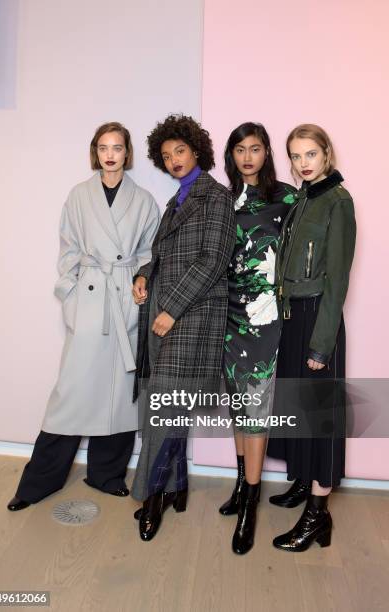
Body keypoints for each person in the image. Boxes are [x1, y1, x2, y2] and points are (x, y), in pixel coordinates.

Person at [7, 122, 160, 511]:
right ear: (96, 151)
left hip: (125, 298)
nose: (110, 154)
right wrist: (70, 293)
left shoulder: (143, 201)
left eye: (118, 147)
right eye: (104, 147)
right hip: (91, 296)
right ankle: (39, 481)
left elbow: (148, 251)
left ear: (128, 153)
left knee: (119, 396)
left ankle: (106, 475)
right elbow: (69, 248)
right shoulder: (79, 196)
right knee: (71, 393)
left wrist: (141, 277)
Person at [131, 114, 236, 541]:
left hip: (190, 317)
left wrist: (171, 308)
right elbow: (161, 256)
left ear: (196, 151)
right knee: (167, 405)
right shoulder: (175, 202)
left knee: (162, 409)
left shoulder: (216, 197)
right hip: (162, 312)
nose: (174, 159)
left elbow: (212, 260)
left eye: (180, 150)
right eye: (166, 154)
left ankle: (151, 497)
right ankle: (178, 485)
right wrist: (142, 275)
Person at [267, 124, 356, 551]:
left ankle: (318, 518)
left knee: (319, 420)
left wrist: (322, 344)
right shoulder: (304, 197)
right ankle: (303, 484)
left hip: (319, 317)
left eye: (310, 155)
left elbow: (337, 280)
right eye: (296, 156)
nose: (303, 164)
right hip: (293, 314)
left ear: (326, 154)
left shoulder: (338, 202)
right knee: (296, 408)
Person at [220, 122, 296, 554]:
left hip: (265, 315)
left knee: (256, 406)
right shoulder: (223, 199)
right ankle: (239, 483)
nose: (247, 157)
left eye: (255, 149)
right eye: (239, 150)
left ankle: (251, 501)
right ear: (231, 155)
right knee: (237, 406)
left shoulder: (286, 198)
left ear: (266, 153)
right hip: (227, 312)